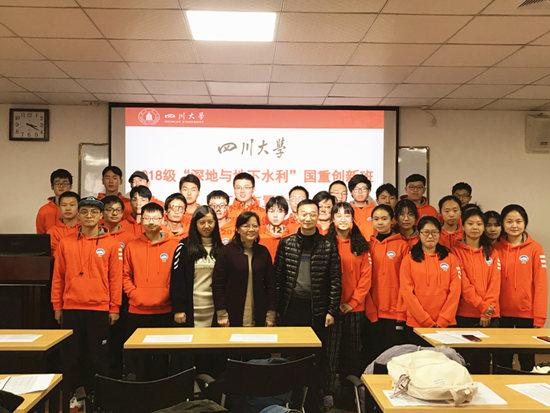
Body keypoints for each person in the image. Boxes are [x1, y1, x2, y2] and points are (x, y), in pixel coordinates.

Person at [274, 199, 341, 411]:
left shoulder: (328, 246)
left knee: (315, 357)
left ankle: (311, 402)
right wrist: (276, 309)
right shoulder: (286, 243)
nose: (308, 218)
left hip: (317, 310)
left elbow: (335, 281)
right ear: (296, 216)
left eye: (313, 214)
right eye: (304, 214)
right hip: (291, 308)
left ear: (319, 216)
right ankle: (289, 400)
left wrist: (331, 310)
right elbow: (278, 279)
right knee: (290, 356)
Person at [51, 197, 122, 395]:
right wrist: (57, 306)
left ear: (101, 216)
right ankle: (71, 397)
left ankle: (99, 398)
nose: (89, 215)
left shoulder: (112, 244)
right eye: (84, 212)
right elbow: (58, 277)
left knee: (98, 356)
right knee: (71, 357)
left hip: (99, 309)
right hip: (71, 308)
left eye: (94, 212)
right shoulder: (65, 243)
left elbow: (116, 278)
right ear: (78, 215)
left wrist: (115, 307)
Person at [123, 203, 179, 380]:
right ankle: (141, 391)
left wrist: (167, 294)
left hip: (164, 310)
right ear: (141, 220)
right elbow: (125, 275)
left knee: (162, 356)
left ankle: (161, 392)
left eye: (155, 218)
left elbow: (177, 277)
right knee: (140, 358)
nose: (151, 222)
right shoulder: (131, 246)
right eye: (147, 218)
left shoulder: (174, 246)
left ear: (163, 219)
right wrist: (134, 294)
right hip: (137, 310)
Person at [324, 202, 372, 402]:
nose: (343, 219)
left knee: (352, 353)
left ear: (353, 219)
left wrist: (352, 303)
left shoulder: (361, 245)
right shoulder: (325, 243)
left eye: (347, 215)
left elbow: (366, 278)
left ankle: (350, 396)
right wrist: (334, 304)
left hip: (355, 308)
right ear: (332, 219)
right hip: (332, 308)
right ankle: (328, 393)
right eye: (338, 215)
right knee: (330, 352)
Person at [493, 204, 547, 371]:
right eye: (509, 221)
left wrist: (539, 317)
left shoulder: (535, 248)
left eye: (518, 221)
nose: (514, 225)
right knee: (502, 358)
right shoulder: (495, 248)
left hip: (527, 313)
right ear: (503, 224)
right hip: (501, 313)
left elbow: (541, 284)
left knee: (527, 358)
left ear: (525, 223)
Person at [452, 208, 500, 374]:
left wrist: (487, 311)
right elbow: (463, 284)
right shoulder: (455, 251)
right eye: (470, 223)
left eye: (479, 224)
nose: (475, 227)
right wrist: (481, 306)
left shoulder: (492, 251)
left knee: (484, 361)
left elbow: (495, 283)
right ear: (463, 226)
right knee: (464, 361)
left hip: (490, 315)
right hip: (464, 313)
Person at [399, 216, 461, 345]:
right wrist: (425, 321)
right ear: (419, 233)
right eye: (426, 232)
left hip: (445, 323)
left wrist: (443, 320)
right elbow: (407, 293)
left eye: (434, 232)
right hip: (417, 323)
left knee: (443, 357)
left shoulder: (450, 259)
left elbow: (455, 291)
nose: (430, 236)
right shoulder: (408, 260)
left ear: (440, 233)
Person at [212, 211, 277, 327]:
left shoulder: (263, 252)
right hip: (231, 313)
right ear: (237, 229)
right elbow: (218, 285)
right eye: (246, 226)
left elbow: (270, 286)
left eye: (255, 226)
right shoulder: (226, 252)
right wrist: (221, 313)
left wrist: (271, 314)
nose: (251, 229)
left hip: (259, 312)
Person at [366, 204, 410, 357]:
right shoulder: (367, 245)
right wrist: (370, 310)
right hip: (372, 311)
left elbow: (406, 281)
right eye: (376, 219)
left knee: (393, 355)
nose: (380, 222)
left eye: (384, 218)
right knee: (372, 354)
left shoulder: (402, 245)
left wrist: (401, 312)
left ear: (392, 221)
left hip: (394, 312)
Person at [100, 195, 135, 379]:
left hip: (122, 291)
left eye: (117, 210)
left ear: (122, 213)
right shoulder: (96, 235)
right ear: (102, 213)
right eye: (109, 209)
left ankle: (118, 376)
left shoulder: (129, 237)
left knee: (119, 335)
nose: (113, 213)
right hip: (100, 290)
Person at [171, 206, 223, 327]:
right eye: (202, 222)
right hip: (190, 308)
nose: (206, 226)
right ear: (195, 224)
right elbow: (177, 280)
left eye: (210, 222)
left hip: (214, 308)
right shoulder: (184, 247)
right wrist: (179, 308)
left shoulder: (222, 249)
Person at [36, 168, 73, 234]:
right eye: (57, 183)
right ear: (52, 187)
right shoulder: (43, 211)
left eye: (65, 183)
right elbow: (41, 236)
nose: (61, 186)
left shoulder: (77, 209)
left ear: (70, 186)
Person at [47, 191, 80, 259]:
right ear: (59, 208)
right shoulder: (53, 232)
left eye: (72, 205)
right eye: (64, 205)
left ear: (79, 207)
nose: (68, 208)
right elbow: (56, 254)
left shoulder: (86, 228)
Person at [260, 196, 291, 263]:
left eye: (280, 211)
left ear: (286, 213)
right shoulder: (259, 236)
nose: (275, 215)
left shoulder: (291, 237)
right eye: (271, 211)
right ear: (266, 213)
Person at [348, 174, 375, 239]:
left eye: (363, 189)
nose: (360, 192)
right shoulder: (346, 210)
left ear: (369, 191)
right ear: (351, 192)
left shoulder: (375, 210)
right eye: (356, 189)